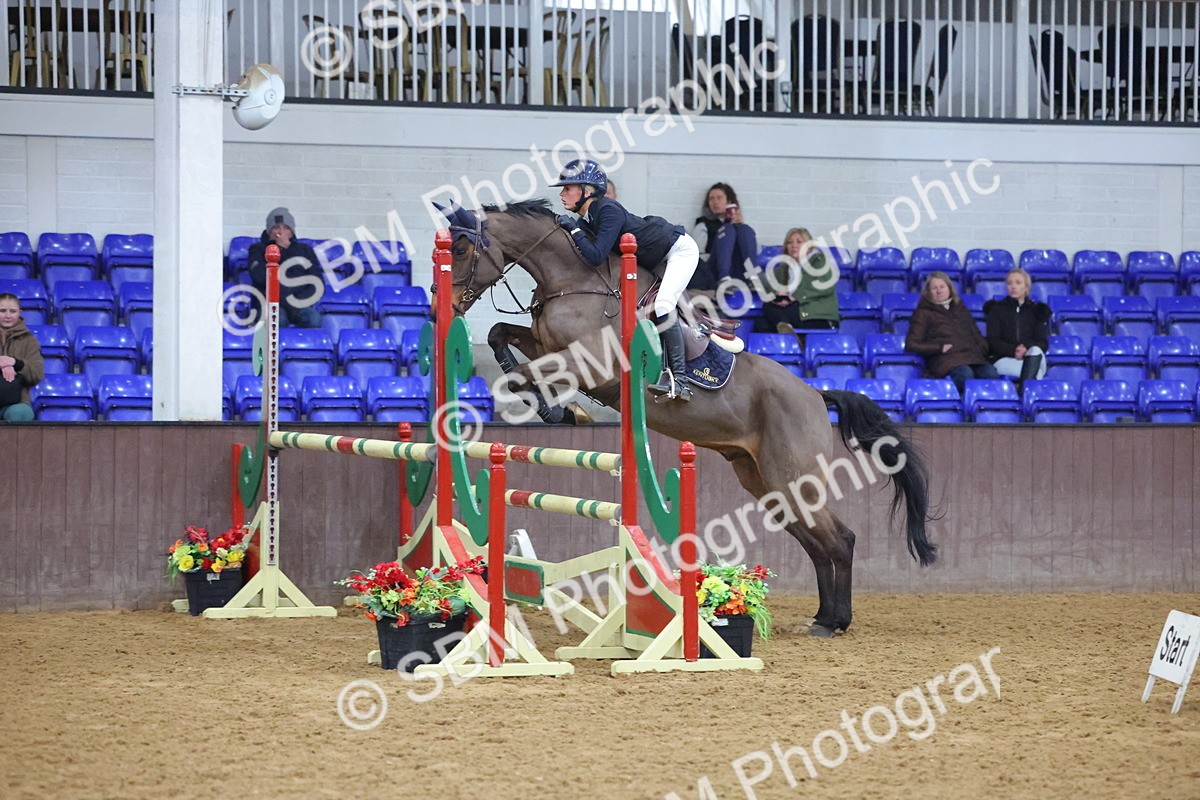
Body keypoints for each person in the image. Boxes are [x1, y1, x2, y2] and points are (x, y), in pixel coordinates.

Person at [551, 158, 700, 402]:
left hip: (679, 250)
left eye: (568, 188)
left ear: (587, 191)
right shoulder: (587, 219)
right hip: (654, 256)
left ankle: (680, 382)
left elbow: (596, 255)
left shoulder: (607, 210)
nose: (562, 193)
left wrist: (574, 231)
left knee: (663, 305)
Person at [905, 272, 999, 394]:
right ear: (928, 292)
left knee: (990, 373)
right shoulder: (923, 313)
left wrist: (981, 348)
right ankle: (958, 406)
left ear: (949, 288)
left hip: (972, 357)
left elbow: (975, 333)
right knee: (965, 374)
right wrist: (939, 348)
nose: (939, 291)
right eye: (934, 288)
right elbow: (911, 344)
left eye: (942, 286)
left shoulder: (961, 308)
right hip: (945, 359)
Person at [247, 207, 323, 328]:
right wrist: (280, 250)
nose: (281, 232)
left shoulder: (305, 250)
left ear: (292, 232)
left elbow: (317, 283)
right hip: (270, 304)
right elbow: (260, 277)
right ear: (269, 231)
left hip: (298, 304)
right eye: (276, 227)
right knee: (278, 320)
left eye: (286, 228)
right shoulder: (257, 249)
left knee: (314, 319)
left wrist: (298, 301)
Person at [757, 227, 840, 335]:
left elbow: (826, 285)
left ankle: (789, 332)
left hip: (817, 315)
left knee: (770, 315)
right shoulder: (784, 268)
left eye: (799, 242)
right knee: (761, 322)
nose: (794, 246)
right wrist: (778, 296)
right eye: (789, 243)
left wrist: (795, 297)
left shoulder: (819, 260)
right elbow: (769, 287)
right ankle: (787, 332)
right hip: (794, 312)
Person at [984, 267, 1050, 389]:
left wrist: (1026, 349)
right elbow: (992, 340)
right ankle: (1026, 396)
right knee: (1035, 373)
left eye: (1018, 283)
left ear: (1026, 287)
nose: (1013, 286)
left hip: (1032, 356)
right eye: (1009, 283)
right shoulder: (997, 310)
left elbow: (1042, 342)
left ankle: (1022, 392)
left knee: (1035, 351)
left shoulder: (1036, 311)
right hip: (1005, 358)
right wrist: (1013, 350)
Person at [690, 182, 759, 289]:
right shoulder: (703, 225)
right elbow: (696, 257)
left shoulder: (740, 227)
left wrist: (739, 225)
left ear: (729, 201)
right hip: (713, 272)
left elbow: (754, 251)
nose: (715, 202)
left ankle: (753, 277)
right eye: (711, 199)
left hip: (738, 271)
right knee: (728, 229)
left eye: (719, 198)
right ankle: (724, 278)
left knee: (745, 229)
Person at [0, 293, 44, 421]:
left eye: (12, 311)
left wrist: (15, 363)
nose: (8, 315)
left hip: (16, 401)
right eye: (2, 311)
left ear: (20, 312)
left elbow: (37, 374)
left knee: (21, 413)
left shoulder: (30, 340)